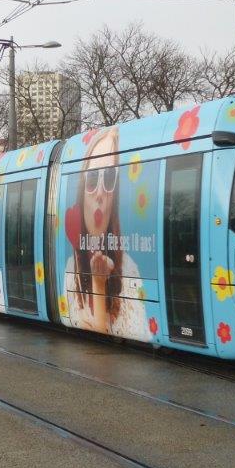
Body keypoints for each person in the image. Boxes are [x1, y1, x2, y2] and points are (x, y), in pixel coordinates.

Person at [64, 127, 147, 339]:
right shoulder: (70, 268)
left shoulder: (129, 270)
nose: (100, 193)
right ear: (82, 189)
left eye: (109, 178)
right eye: (92, 179)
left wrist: (99, 284)